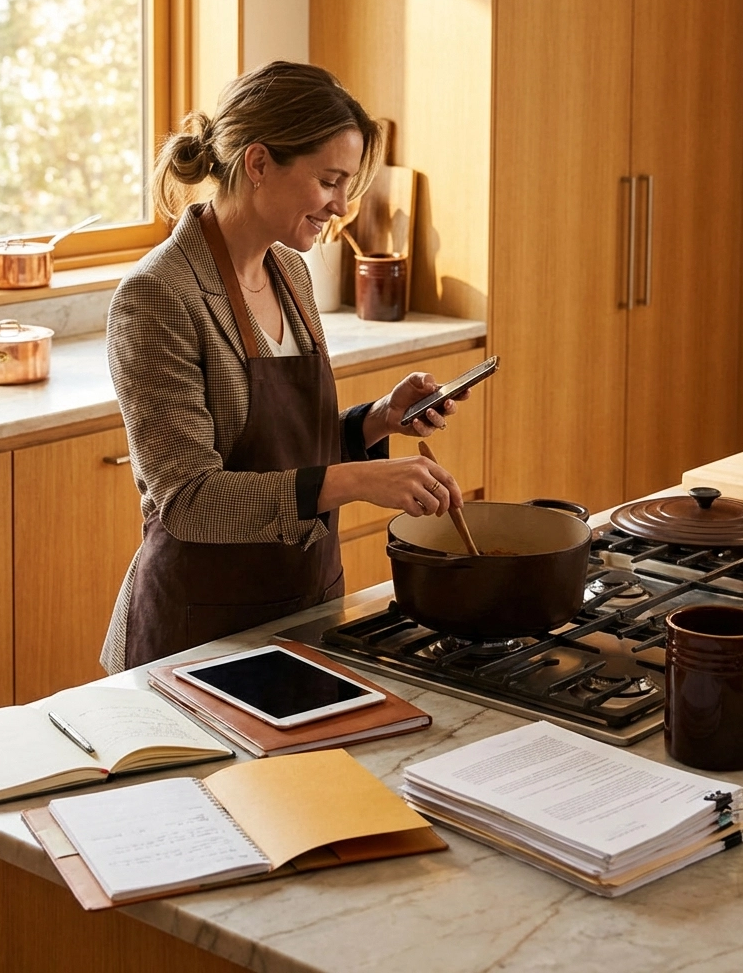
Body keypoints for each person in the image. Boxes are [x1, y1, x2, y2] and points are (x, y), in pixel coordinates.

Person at [100, 61, 471, 674]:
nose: (341, 205)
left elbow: (288, 452)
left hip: (300, 608)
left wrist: (379, 420)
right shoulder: (159, 294)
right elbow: (189, 500)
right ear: (258, 163)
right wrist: (358, 481)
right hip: (198, 633)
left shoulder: (290, 272)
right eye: (329, 180)